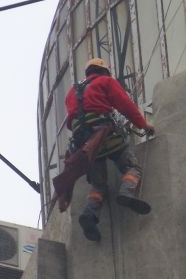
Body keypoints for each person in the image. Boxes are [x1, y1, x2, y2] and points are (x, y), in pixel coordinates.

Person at [64, 58, 157, 242]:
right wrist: (144, 125)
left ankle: (89, 215)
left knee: (98, 185)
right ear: (104, 71)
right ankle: (126, 193)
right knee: (132, 167)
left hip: (85, 144)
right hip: (105, 135)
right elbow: (125, 106)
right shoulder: (105, 82)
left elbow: (71, 121)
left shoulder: (71, 92)